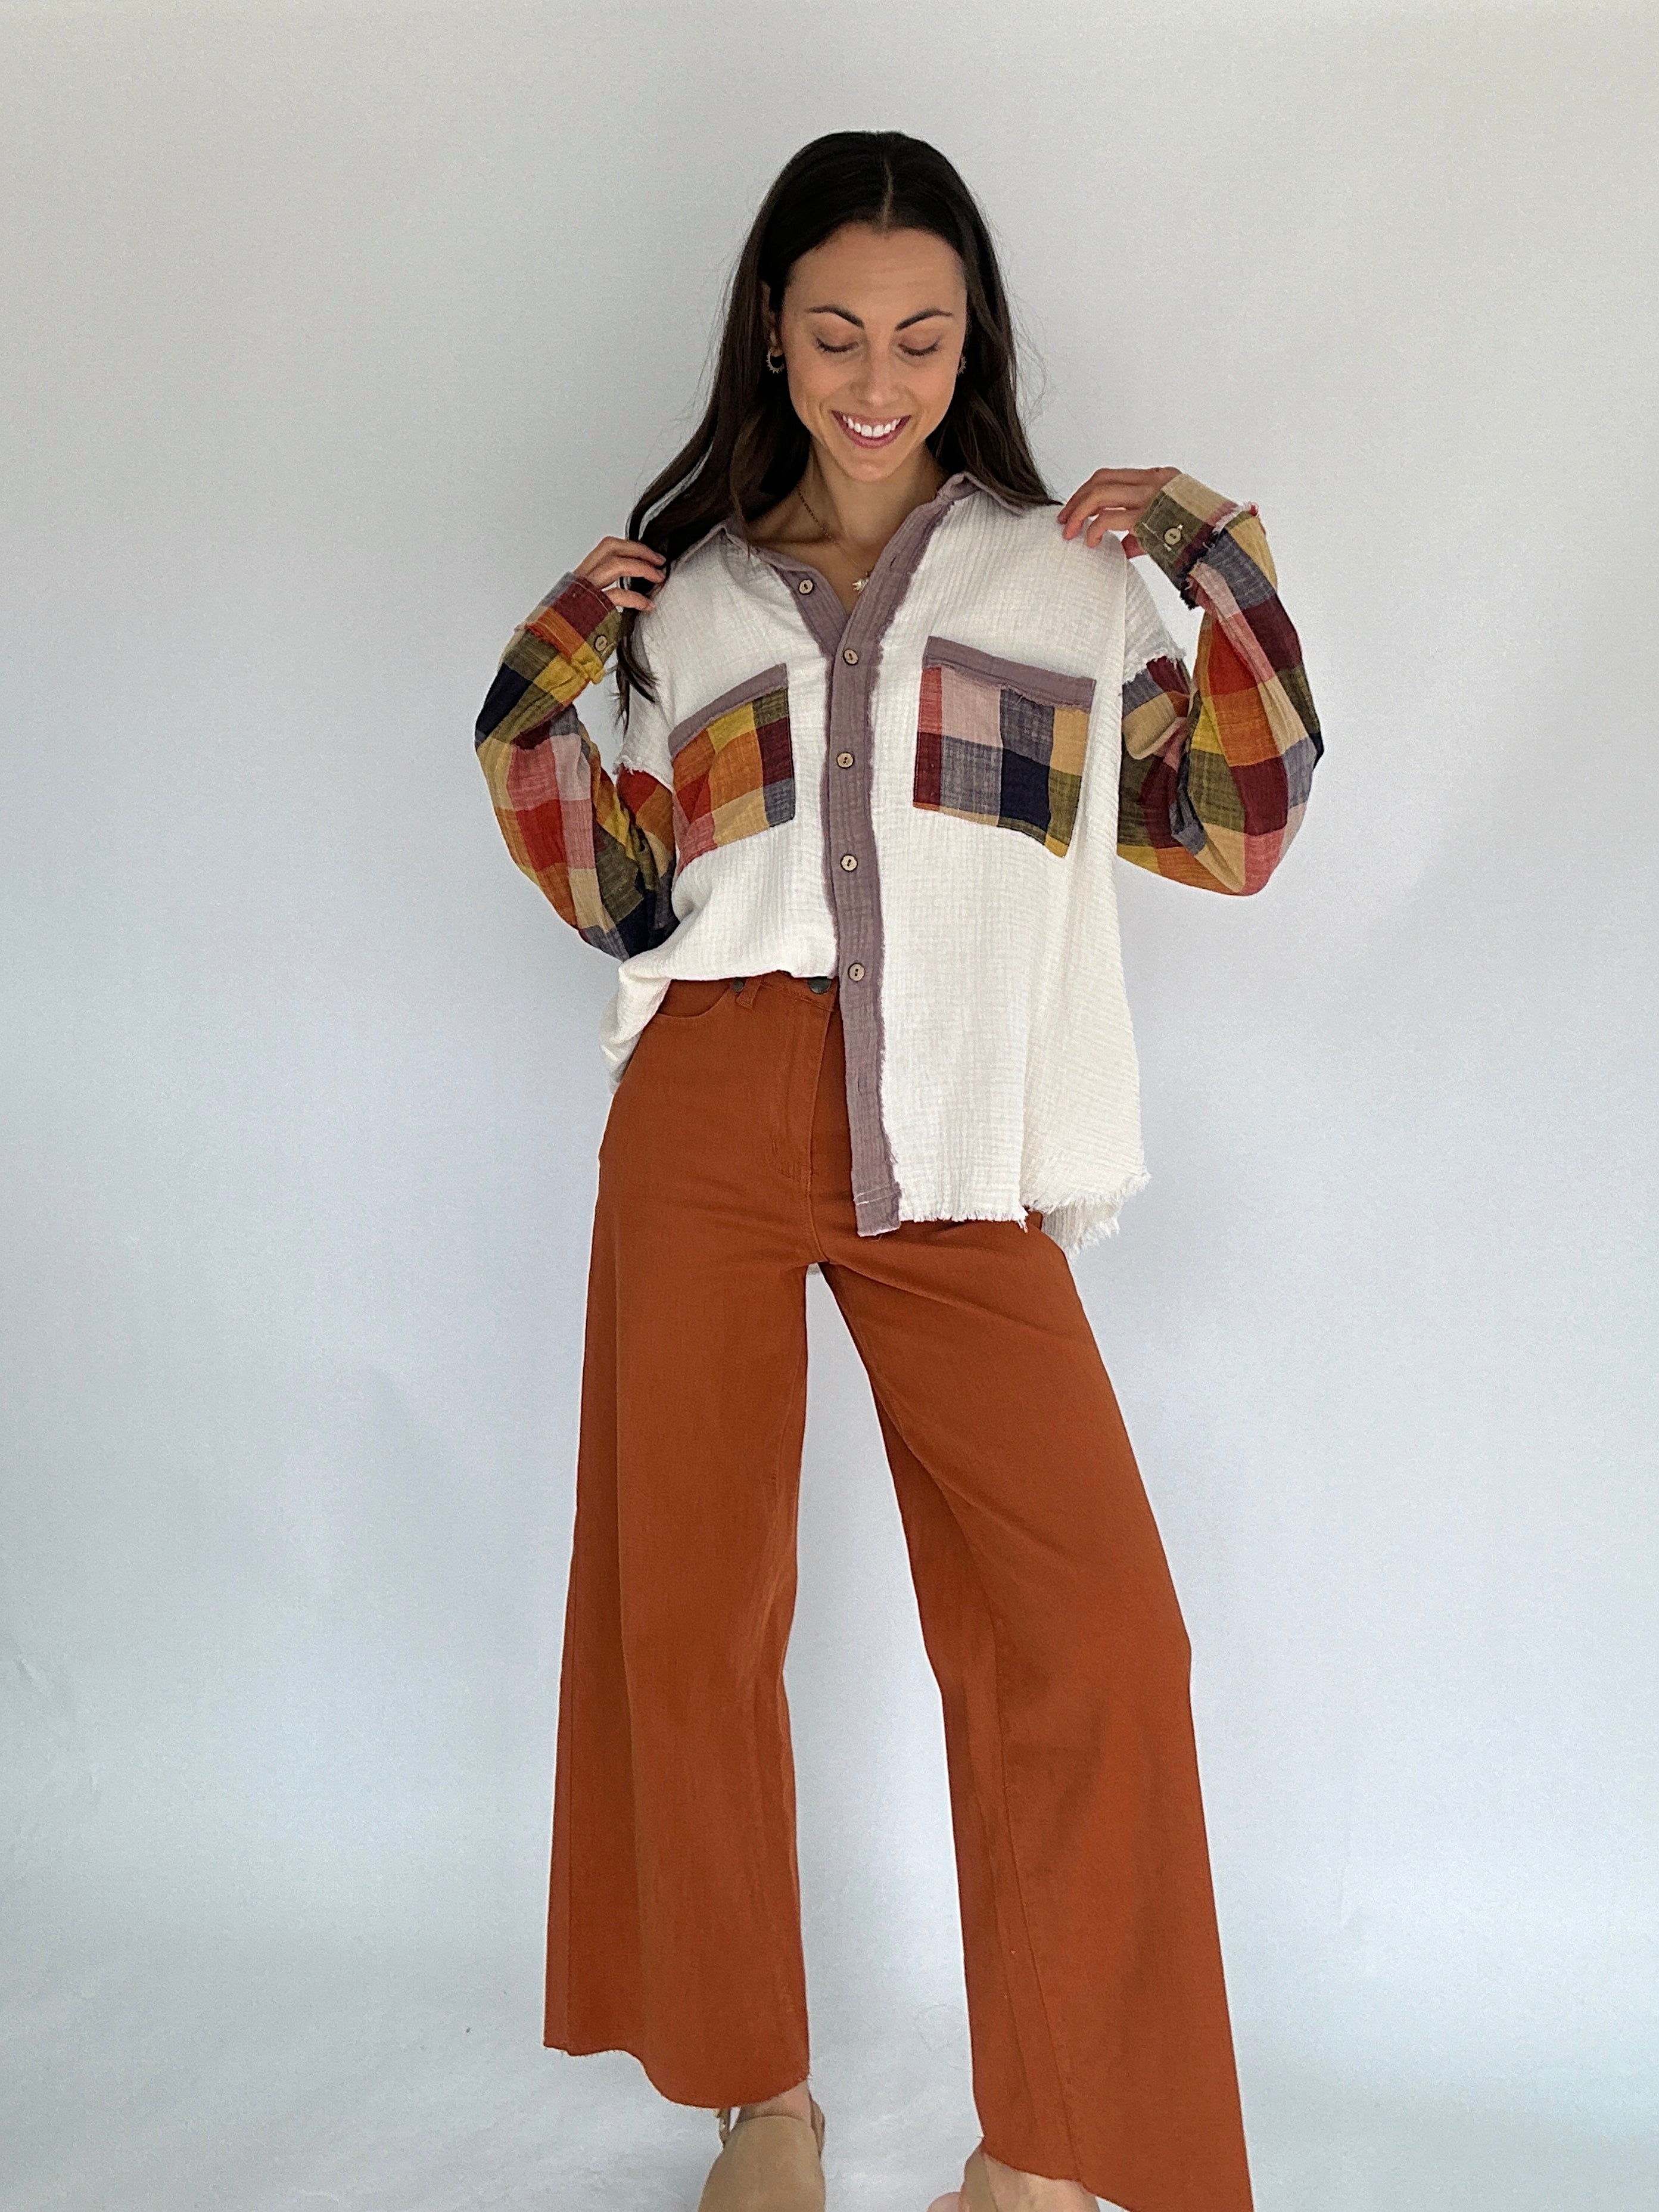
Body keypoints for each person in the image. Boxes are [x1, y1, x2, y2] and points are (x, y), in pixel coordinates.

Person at [474, 129, 1320, 2212]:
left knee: (1093, 1634)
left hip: (951, 1123)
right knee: (687, 1613)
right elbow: (621, 895)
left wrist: (1211, 552)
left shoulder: (1058, 577)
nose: (878, 376)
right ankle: (758, 2097)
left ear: (970, 344)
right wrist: (549, 668)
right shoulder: (690, 600)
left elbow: (1232, 828)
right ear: (772, 331)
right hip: (708, 1100)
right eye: (837, 330)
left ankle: (1039, 2155)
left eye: (920, 337)